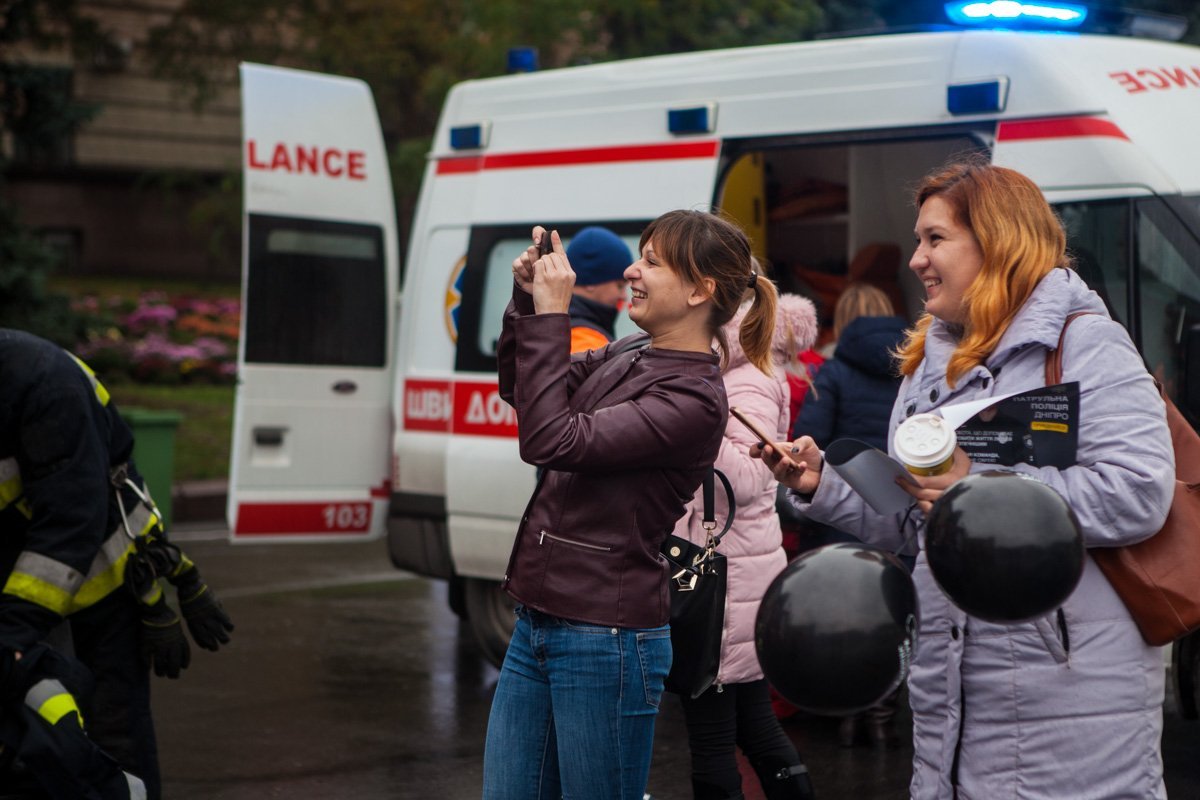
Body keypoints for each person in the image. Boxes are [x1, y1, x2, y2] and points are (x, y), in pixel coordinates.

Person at [756, 159, 1174, 799]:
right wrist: (823, 485)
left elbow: (1139, 493)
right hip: (951, 684)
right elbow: (914, 521)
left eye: (935, 239)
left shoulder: (1086, 343)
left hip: (1067, 687)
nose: (917, 259)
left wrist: (979, 489)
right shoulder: (924, 363)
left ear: (1000, 241)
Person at [482, 210, 778, 800]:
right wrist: (525, 301)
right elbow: (524, 390)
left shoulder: (692, 396)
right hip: (538, 617)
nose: (630, 270)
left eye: (651, 261)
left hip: (606, 638)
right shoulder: (629, 353)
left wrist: (553, 314)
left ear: (701, 290)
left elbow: (551, 441)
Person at [0, 328, 233, 799]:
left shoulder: (45, 384)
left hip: (103, 590)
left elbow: (69, 525)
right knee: (36, 741)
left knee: (114, 737)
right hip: (22, 591)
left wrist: (12, 633)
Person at [669, 291, 818, 800]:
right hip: (735, 574)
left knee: (713, 735)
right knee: (754, 727)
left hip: (724, 582)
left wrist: (693, 416)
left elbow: (749, 479)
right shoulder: (734, 368)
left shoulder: (745, 376)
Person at [790, 282, 908, 748]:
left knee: (847, 613)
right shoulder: (914, 369)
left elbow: (808, 442)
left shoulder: (834, 372)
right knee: (890, 612)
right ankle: (882, 713)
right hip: (897, 505)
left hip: (841, 511)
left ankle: (847, 711)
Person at [565, 225, 633, 353]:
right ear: (590, 282)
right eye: (620, 286)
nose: (624, 296)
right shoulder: (586, 343)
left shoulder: (559, 324)